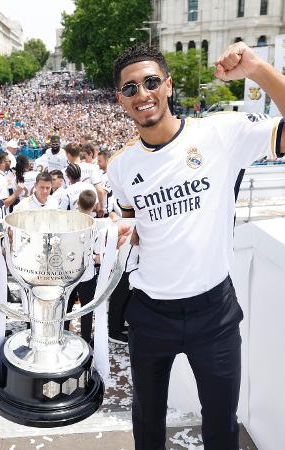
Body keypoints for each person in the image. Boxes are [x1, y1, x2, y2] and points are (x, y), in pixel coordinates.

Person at [108, 43, 284, 450]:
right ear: (121, 99)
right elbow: (138, 221)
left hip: (214, 315)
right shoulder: (121, 166)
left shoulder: (220, 132)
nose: (143, 94)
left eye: (151, 82)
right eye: (130, 88)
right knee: (147, 423)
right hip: (150, 314)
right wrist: (127, 231)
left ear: (168, 86)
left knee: (221, 425)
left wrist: (258, 70)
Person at [63, 189, 99, 344]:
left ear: (77, 203)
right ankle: (85, 339)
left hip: (69, 273)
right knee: (87, 310)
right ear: (94, 206)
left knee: (67, 307)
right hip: (87, 273)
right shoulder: (96, 226)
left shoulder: (68, 222)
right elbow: (97, 253)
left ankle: (63, 334)